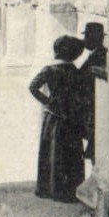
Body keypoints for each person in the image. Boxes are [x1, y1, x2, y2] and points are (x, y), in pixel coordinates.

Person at [29, 35, 87, 202]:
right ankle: (69, 189)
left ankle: (49, 188)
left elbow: (33, 87)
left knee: (52, 151)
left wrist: (48, 102)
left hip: (53, 118)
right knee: (71, 152)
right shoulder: (76, 72)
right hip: (71, 117)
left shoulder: (49, 70)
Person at [79, 22, 108, 165]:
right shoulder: (96, 54)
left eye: (87, 37)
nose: (84, 41)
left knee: (96, 145)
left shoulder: (99, 55)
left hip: (94, 108)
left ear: (95, 38)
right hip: (91, 107)